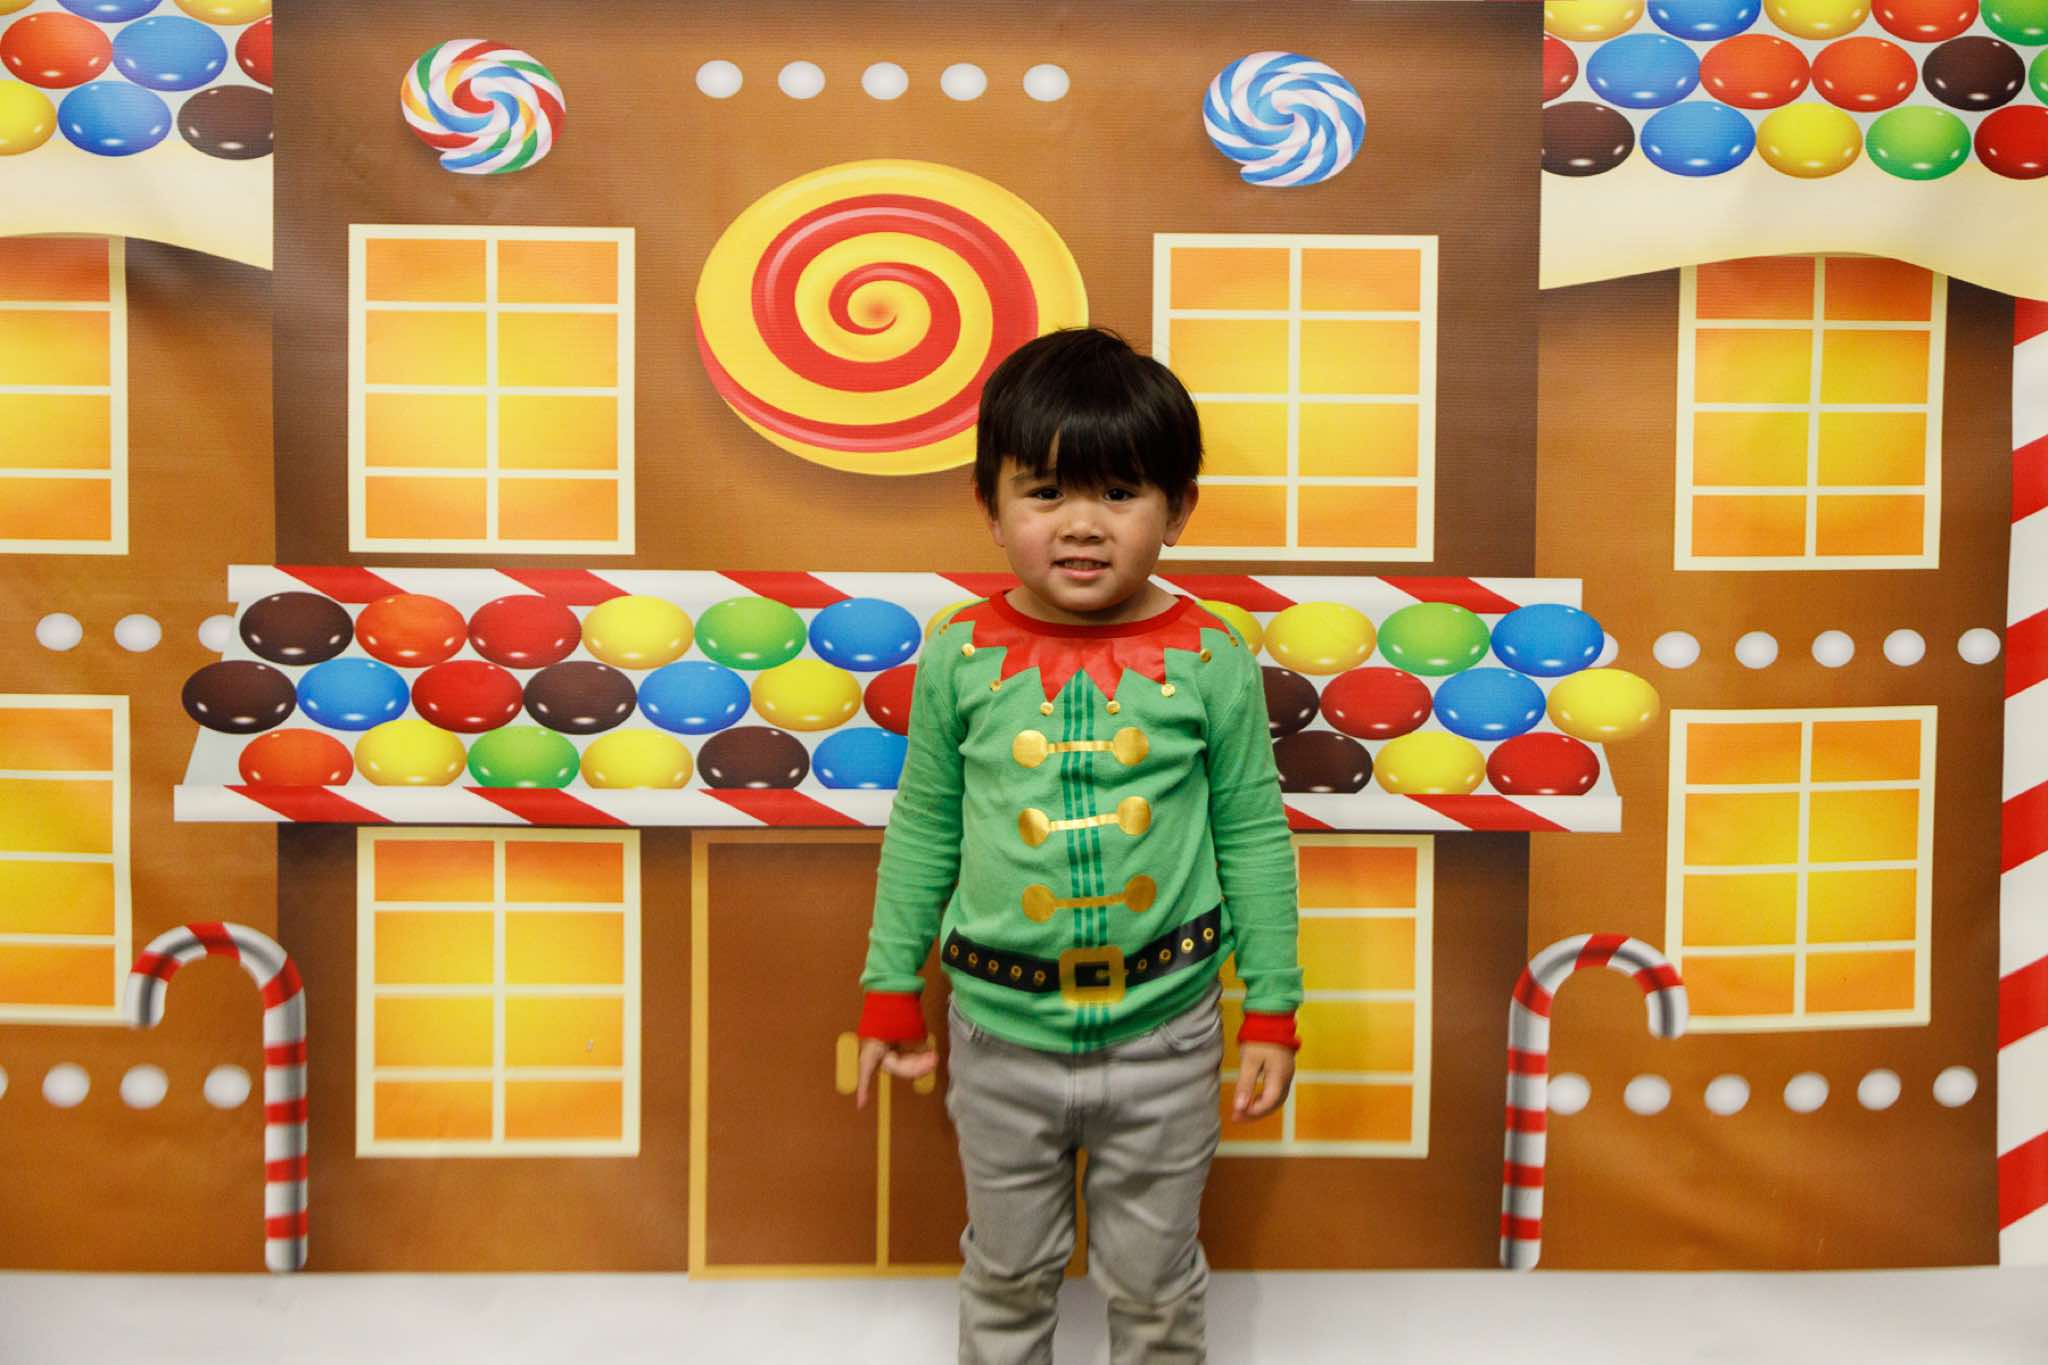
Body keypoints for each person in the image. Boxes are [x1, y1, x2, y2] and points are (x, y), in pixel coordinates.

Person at [851, 326, 1303, 1364]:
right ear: (990, 505)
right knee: (1005, 1274)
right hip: (998, 1034)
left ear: (1178, 509)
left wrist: (1273, 1005)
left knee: (1155, 1284)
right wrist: (888, 985)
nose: (1083, 525)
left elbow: (1251, 833)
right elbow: (924, 825)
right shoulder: (958, 653)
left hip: (1167, 1035)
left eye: (1121, 493)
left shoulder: (1212, 656)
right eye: (1045, 493)